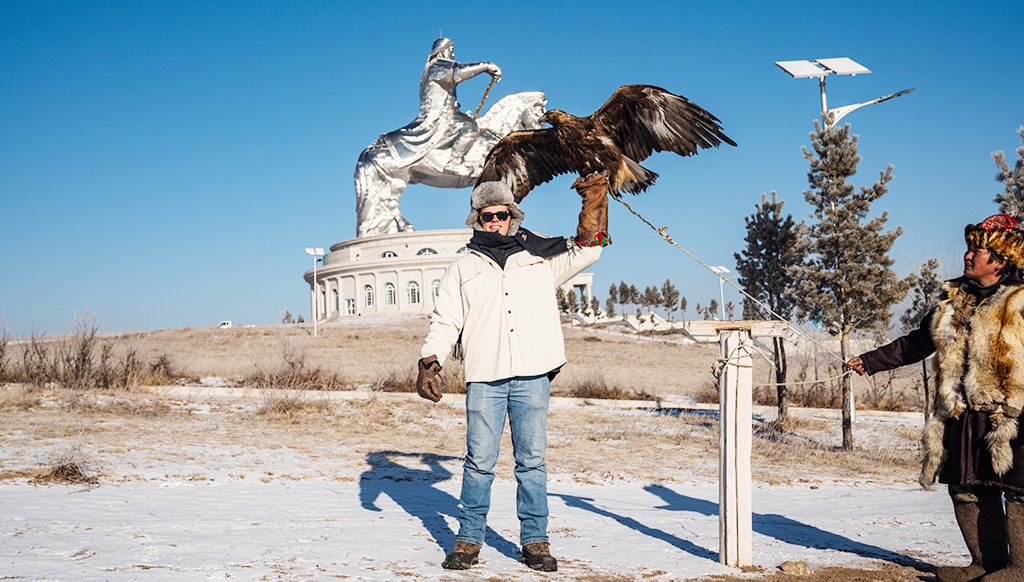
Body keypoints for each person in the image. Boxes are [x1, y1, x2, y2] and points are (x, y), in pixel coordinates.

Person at [415, 173, 611, 571]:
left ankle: (535, 542)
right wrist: (429, 361)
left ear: (512, 216)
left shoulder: (538, 257)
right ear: (477, 219)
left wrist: (594, 206)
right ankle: (469, 540)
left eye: (501, 215)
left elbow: (588, 252)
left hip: (533, 374)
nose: (494, 222)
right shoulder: (463, 266)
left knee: (532, 462)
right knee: (479, 462)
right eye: (487, 216)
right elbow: (446, 320)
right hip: (485, 377)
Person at [847, 214, 1024, 582]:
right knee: (967, 489)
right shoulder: (954, 301)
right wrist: (870, 360)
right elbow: (917, 342)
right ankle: (984, 565)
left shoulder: (1021, 300)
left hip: (1015, 415)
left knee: (1020, 491)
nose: (968, 255)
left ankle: (1019, 570)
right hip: (962, 410)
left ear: (1001, 260)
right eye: (970, 247)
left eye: (978, 249)